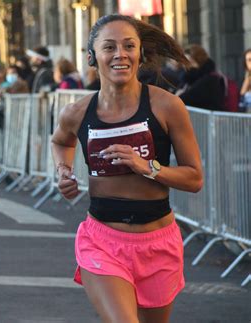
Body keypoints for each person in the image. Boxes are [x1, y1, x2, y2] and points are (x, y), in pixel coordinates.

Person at [51, 14, 203, 323]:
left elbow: (194, 178)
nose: (120, 54)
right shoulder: (76, 113)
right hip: (102, 241)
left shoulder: (167, 106)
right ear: (92, 57)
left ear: (140, 54)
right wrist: (63, 172)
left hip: (158, 241)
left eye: (129, 46)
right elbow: (60, 141)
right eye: (109, 47)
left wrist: (147, 167)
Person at [176, 44, 225, 111]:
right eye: (184, 63)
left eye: (190, 62)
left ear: (199, 61)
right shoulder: (187, 80)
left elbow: (182, 99)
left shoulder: (209, 79)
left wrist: (178, 95)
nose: (186, 66)